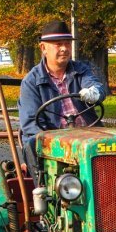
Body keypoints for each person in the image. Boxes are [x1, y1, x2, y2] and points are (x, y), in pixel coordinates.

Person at [18, 19, 106, 176]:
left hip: (88, 135)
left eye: (67, 43)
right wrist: (60, 141)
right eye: (58, 44)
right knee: (32, 144)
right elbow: (31, 126)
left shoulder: (81, 70)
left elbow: (97, 87)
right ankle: (44, 194)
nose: (65, 49)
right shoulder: (31, 82)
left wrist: (94, 93)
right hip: (54, 141)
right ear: (43, 48)